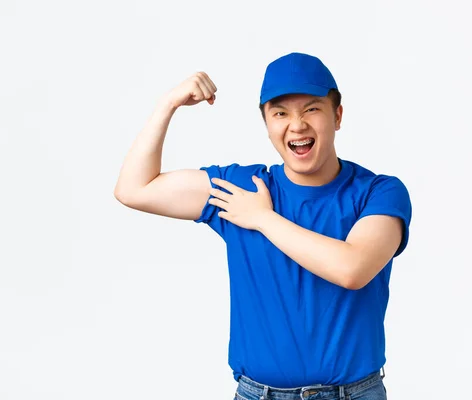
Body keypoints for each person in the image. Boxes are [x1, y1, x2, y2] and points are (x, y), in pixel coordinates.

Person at [114, 52, 412, 400]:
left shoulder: (379, 192)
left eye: (312, 109)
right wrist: (168, 105)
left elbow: (353, 268)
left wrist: (262, 219)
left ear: (338, 116)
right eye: (280, 113)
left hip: (354, 394)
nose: (297, 124)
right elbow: (134, 189)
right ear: (267, 124)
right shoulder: (242, 188)